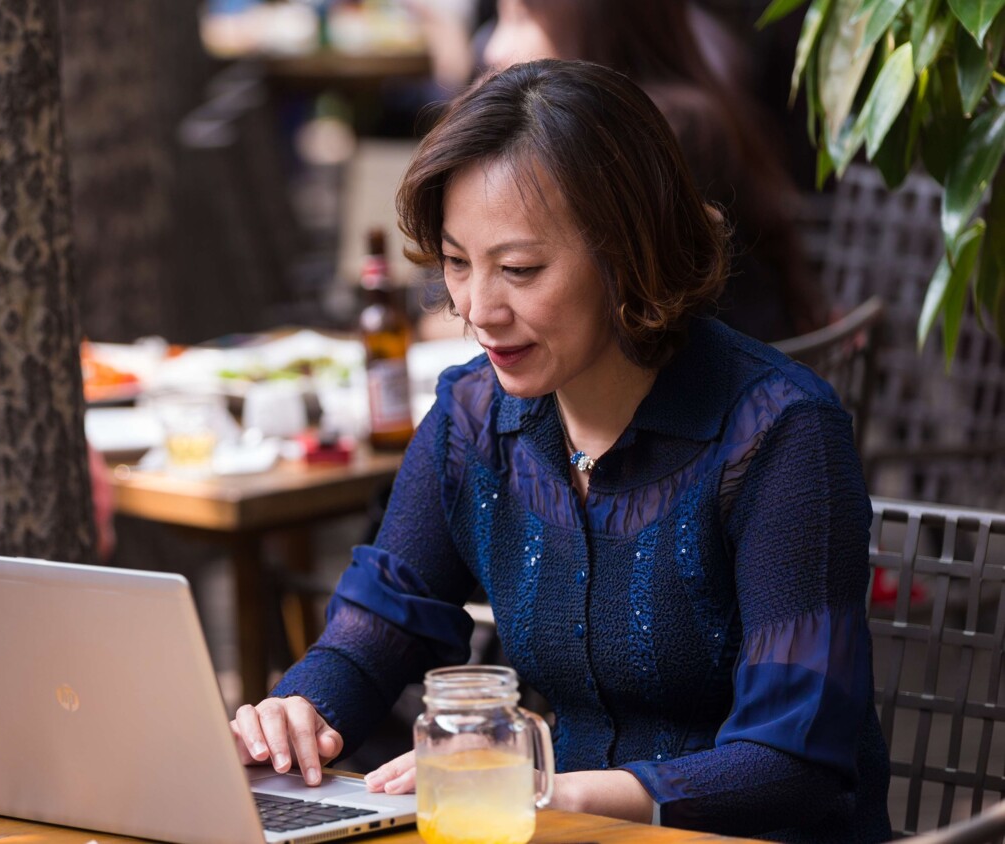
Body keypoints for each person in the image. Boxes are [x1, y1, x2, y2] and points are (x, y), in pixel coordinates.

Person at [229, 60, 890, 842]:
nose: (477, 308)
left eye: (519, 269)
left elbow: (793, 765)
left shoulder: (778, 434)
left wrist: (552, 790)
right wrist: (302, 710)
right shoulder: (475, 419)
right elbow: (383, 623)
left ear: (628, 255)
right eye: (455, 262)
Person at [409, 0, 822, 342]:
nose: (495, 47)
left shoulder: (651, 139)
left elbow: (632, 328)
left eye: (524, 18)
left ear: (598, 22)